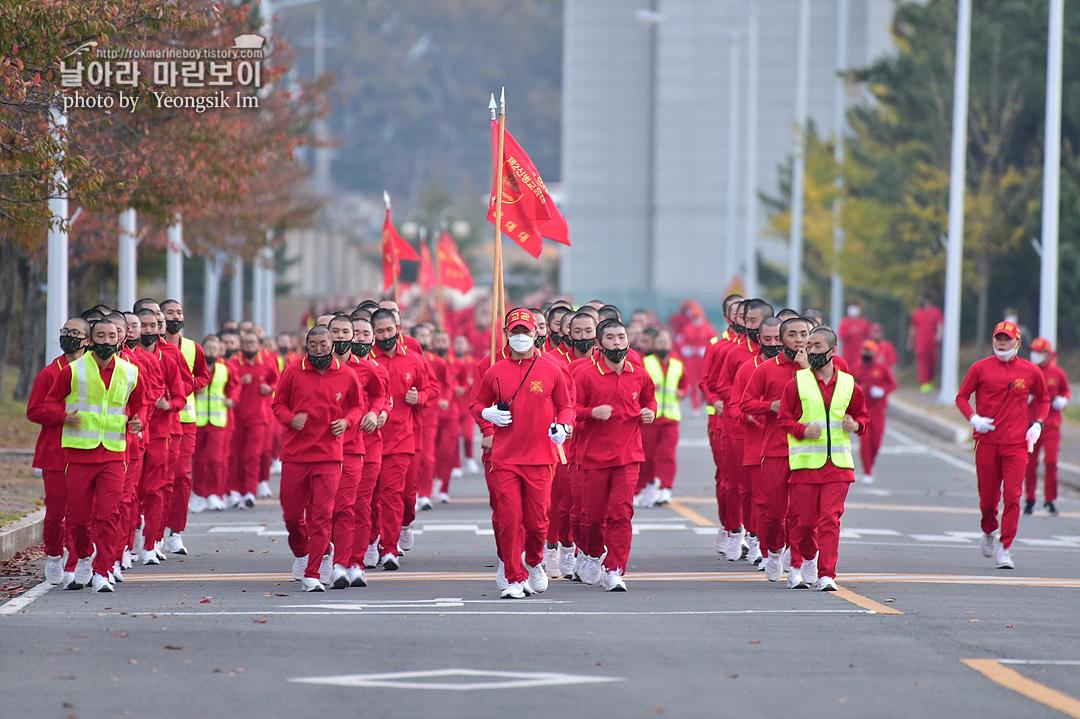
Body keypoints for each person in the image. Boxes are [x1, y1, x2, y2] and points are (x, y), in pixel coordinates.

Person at [473, 308, 574, 598]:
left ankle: (534, 562)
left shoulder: (552, 369)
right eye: (514, 331)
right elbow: (476, 404)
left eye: (525, 332)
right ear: (506, 333)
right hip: (504, 458)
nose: (520, 337)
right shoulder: (494, 370)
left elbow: (566, 405)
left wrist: (563, 426)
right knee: (509, 517)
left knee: (537, 521)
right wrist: (487, 413)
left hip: (541, 457)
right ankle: (514, 576)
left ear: (536, 334)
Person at [43, 319, 148, 592]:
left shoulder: (130, 372)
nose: (105, 340)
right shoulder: (74, 371)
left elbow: (141, 405)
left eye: (111, 335)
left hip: (114, 454)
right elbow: (50, 402)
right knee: (78, 519)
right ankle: (84, 555)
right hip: (79, 455)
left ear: (118, 340)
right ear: (90, 340)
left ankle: (103, 570)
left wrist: (138, 421)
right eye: (99, 336)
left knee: (109, 514)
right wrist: (64, 417)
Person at [272, 325, 364, 592]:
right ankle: (303, 552)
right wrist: (291, 419)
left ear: (332, 345)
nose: (320, 349)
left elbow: (358, 406)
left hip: (329, 456)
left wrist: (347, 422)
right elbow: (277, 405)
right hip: (295, 455)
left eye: (325, 344)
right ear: (307, 346)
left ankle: (313, 572)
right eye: (314, 345)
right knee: (292, 515)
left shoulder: (346, 374)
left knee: (323, 515)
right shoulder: (292, 372)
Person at [778, 326, 870, 591]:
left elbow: (863, 417)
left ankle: (827, 574)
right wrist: (802, 430)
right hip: (806, 465)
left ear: (833, 351)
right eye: (809, 346)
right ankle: (801, 561)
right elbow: (784, 419)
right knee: (804, 522)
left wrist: (856, 425)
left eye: (817, 346)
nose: (810, 351)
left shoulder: (849, 384)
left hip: (838, 467)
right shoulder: (797, 382)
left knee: (830, 520)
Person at [955, 321, 1049, 569]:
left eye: (1006, 339)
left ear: (1017, 343)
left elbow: (1044, 399)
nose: (1001, 343)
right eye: (998, 338)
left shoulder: (1030, 371)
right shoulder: (980, 368)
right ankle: (989, 530)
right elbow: (961, 397)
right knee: (988, 500)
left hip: (1016, 445)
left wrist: (1038, 423)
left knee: (1013, 496)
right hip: (986, 441)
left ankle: (1005, 547)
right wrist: (974, 418)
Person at [573, 319, 656, 591]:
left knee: (621, 513)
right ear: (599, 343)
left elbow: (649, 399)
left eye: (621, 337)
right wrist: (590, 413)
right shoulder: (585, 375)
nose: (617, 342)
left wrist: (650, 412)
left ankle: (614, 570)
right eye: (610, 337)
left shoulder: (639, 374)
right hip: (594, 458)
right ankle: (593, 554)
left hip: (629, 456)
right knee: (594, 518)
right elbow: (570, 409)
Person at [740, 317, 812, 581]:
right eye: (792, 334)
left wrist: (807, 370)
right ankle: (773, 551)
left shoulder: (820, 369)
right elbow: (745, 403)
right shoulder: (767, 369)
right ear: (782, 340)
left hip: (808, 450)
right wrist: (769, 406)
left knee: (802, 514)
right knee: (774, 513)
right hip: (775, 449)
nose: (799, 339)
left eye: (804, 334)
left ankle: (798, 563)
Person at [371, 308, 437, 570]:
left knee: (401, 496)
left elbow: (432, 389)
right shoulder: (367, 362)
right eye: (380, 331)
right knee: (371, 497)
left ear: (398, 329)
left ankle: (391, 544)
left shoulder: (413, 360)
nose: (385, 335)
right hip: (370, 438)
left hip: (401, 439)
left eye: (389, 330)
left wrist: (418, 398)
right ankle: (374, 543)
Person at [27, 317, 90, 585]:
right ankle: (54, 556)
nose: (69, 336)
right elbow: (34, 410)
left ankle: (75, 564)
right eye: (66, 331)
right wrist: (63, 417)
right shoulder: (49, 373)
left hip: (86, 453)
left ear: (88, 340)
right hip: (55, 454)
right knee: (55, 513)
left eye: (76, 333)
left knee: (80, 513)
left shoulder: (95, 374)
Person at [325, 316, 384, 588]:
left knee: (355, 506)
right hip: (322, 449)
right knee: (328, 508)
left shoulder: (368, 369)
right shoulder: (317, 368)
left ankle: (352, 563)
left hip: (357, 447)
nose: (349, 337)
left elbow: (380, 397)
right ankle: (320, 556)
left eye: (356, 333)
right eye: (336, 332)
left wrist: (375, 413)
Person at [728, 316, 784, 566]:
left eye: (778, 339)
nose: (773, 344)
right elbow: (735, 407)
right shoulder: (748, 369)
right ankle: (763, 547)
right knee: (761, 502)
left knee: (789, 504)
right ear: (758, 339)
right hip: (757, 446)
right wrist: (754, 414)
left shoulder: (799, 371)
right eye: (768, 339)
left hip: (790, 446)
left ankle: (788, 549)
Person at [161, 300, 210, 556]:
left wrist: (190, 384)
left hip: (186, 419)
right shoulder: (154, 346)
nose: (176, 316)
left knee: (181, 475)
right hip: (157, 420)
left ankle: (175, 533)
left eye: (179, 312)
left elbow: (204, 375)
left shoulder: (192, 347)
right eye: (170, 313)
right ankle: (150, 531)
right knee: (159, 478)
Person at [228, 331, 279, 509]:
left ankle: (250, 491)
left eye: (253, 343)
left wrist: (270, 387)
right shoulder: (234, 364)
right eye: (246, 343)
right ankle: (236, 491)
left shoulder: (267, 363)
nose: (249, 346)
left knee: (253, 455)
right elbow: (227, 386)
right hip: (236, 417)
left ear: (259, 345)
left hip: (259, 418)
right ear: (241, 345)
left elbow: (277, 381)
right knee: (236, 455)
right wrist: (241, 382)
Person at [191, 335, 239, 513]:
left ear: (220, 351)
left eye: (214, 348)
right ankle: (198, 494)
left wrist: (232, 399)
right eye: (208, 348)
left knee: (215, 459)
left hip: (219, 421)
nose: (211, 351)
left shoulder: (224, 369)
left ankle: (213, 493)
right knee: (198, 460)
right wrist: (196, 388)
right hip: (198, 420)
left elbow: (234, 387)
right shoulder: (194, 369)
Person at [639, 330, 686, 507]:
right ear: (653, 345)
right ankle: (648, 484)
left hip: (671, 418)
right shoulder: (645, 362)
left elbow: (684, 385)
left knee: (668, 454)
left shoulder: (677, 364)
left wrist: (681, 393)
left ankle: (665, 487)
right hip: (651, 418)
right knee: (648, 455)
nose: (663, 346)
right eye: (659, 343)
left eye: (666, 342)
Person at [1023, 337, 1070, 516]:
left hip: (1051, 424)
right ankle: (1030, 499)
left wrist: (1063, 400)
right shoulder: (1028, 371)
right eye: (1032, 352)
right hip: (1031, 423)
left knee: (1050, 461)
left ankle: (1050, 499)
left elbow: (1065, 390)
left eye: (1038, 352)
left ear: (1047, 354)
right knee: (1029, 463)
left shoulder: (1057, 373)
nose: (1034, 355)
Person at [851, 340, 897, 485]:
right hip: (862, 411)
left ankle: (870, 463)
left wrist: (882, 391)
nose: (867, 353)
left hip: (878, 411)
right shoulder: (856, 368)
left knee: (876, 443)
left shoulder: (881, 368)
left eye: (869, 351)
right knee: (865, 442)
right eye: (865, 350)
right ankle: (867, 470)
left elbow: (892, 384)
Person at [908, 296, 943, 393]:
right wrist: (910, 341)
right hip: (920, 342)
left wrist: (939, 335)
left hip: (932, 342)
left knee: (932, 362)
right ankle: (924, 383)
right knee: (922, 362)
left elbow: (939, 324)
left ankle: (929, 381)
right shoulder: (916, 314)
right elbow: (913, 328)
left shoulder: (935, 312)